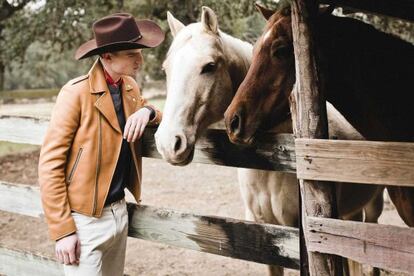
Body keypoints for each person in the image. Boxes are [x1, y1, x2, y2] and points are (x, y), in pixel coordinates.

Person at [38, 13, 165, 276]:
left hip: (120, 212)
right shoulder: (75, 93)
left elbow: (159, 114)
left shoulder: (129, 87)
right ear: (107, 57)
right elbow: (49, 165)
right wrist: (63, 231)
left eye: (139, 52)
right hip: (84, 221)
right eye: (131, 53)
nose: (139, 60)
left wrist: (148, 112)